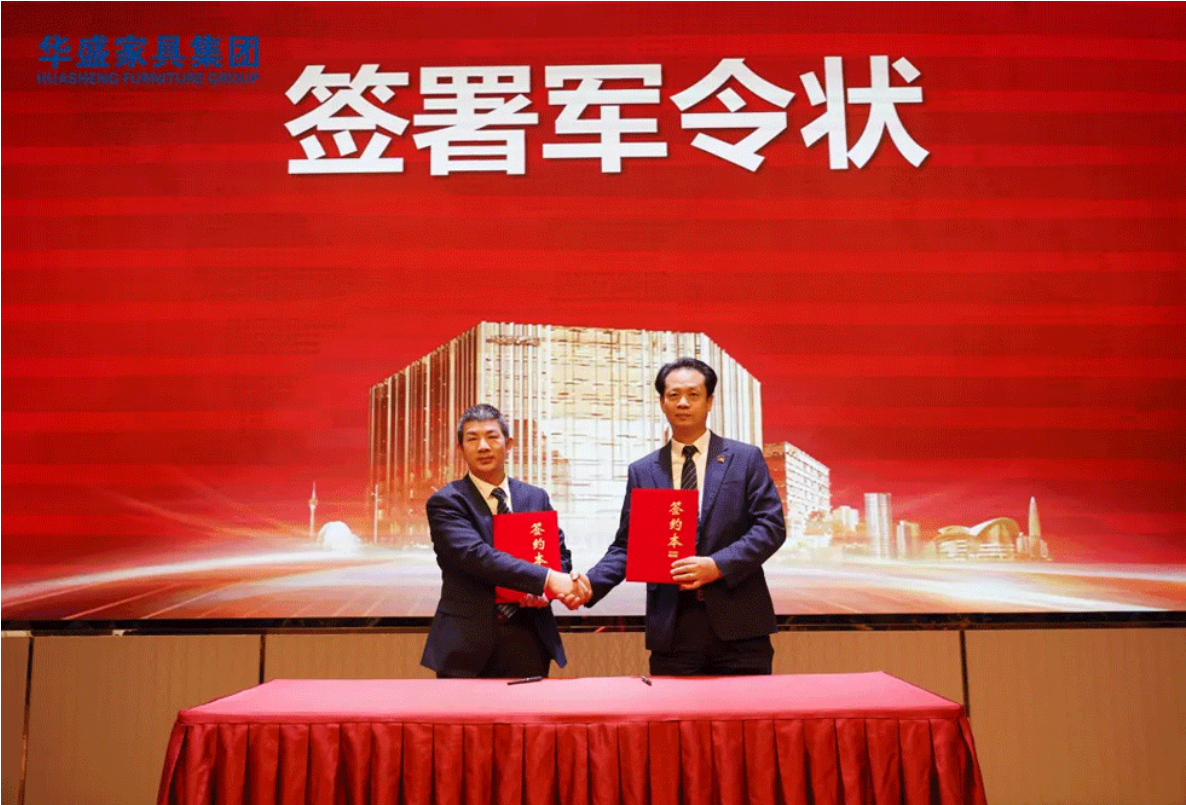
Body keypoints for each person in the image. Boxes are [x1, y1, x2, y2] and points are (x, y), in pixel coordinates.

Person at [584, 358, 786, 675]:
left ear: (709, 401)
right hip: (673, 629)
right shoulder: (643, 470)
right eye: (674, 395)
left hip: (740, 628)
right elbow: (628, 545)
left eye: (693, 395)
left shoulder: (745, 459)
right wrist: (588, 584)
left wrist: (717, 565)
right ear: (662, 402)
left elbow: (770, 527)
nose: (682, 403)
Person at [421, 403, 587, 678]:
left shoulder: (535, 497)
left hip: (529, 637)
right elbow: (477, 556)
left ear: (509, 445)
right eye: (472, 439)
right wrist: (546, 579)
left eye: (492, 436)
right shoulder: (447, 502)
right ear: (461, 449)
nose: (483, 446)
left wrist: (545, 592)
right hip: (466, 644)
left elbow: (559, 555)